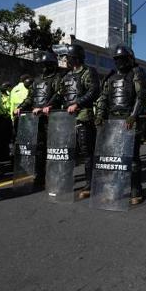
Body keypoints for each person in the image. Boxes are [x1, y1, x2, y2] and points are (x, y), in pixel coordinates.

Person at [95, 45, 146, 204]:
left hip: (129, 122)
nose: (120, 62)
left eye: (123, 59)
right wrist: (99, 115)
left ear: (130, 59)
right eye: (117, 59)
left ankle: (135, 191)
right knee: (114, 159)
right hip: (113, 122)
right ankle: (114, 189)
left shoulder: (136, 73)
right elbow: (104, 98)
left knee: (132, 158)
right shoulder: (111, 77)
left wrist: (133, 116)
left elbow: (141, 96)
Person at [49, 44, 100, 199]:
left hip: (83, 117)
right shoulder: (67, 76)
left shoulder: (88, 72)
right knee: (67, 152)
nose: (67, 60)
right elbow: (59, 94)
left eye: (69, 57)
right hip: (67, 119)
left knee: (86, 153)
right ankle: (65, 182)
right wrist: (48, 105)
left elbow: (94, 91)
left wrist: (77, 104)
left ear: (75, 58)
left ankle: (90, 184)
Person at [16, 52, 61, 187]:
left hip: (52, 118)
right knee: (39, 149)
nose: (44, 67)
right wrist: (20, 107)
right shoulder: (37, 80)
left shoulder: (58, 78)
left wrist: (48, 106)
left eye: (47, 64)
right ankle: (40, 176)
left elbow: (59, 94)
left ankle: (55, 176)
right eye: (42, 65)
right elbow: (31, 97)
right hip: (37, 119)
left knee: (54, 150)